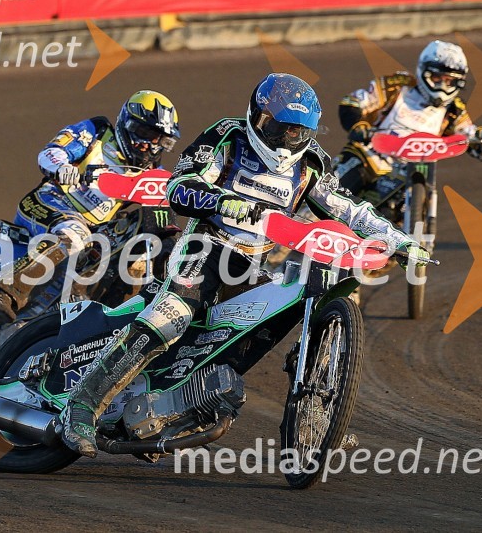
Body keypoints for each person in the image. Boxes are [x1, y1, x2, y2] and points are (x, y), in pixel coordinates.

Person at [59, 73, 429, 457]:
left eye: (297, 131)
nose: (286, 139)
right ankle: (82, 405)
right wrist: (221, 200)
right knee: (173, 315)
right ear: (257, 116)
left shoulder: (312, 162)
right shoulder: (227, 135)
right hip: (206, 247)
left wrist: (398, 239)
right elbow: (179, 184)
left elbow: (349, 209)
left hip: (254, 265)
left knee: (262, 332)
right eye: (278, 127)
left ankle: (313, 419)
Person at [8, 91, 180, 312]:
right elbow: (51, 151)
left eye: (157, 139)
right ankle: (5, 293)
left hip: (93, 231)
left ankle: (110, 314)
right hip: (49, 202)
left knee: (139, 253)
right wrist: (62, 168)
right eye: (144, 133)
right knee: (75, 235)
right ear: (126, 123)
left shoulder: (153, 174)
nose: (148, 144)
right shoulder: (97, 131)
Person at [333, 40, 482, 201]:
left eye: (449, 81)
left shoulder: (454, 110)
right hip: (370, 156)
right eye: (437, 78)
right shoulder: (396, 86)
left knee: (421, 195)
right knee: (333, 193)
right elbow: (352, 101)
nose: (442, 86)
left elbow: (467, 132)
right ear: (424, 72)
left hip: (412, 172)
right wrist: (358, 126)